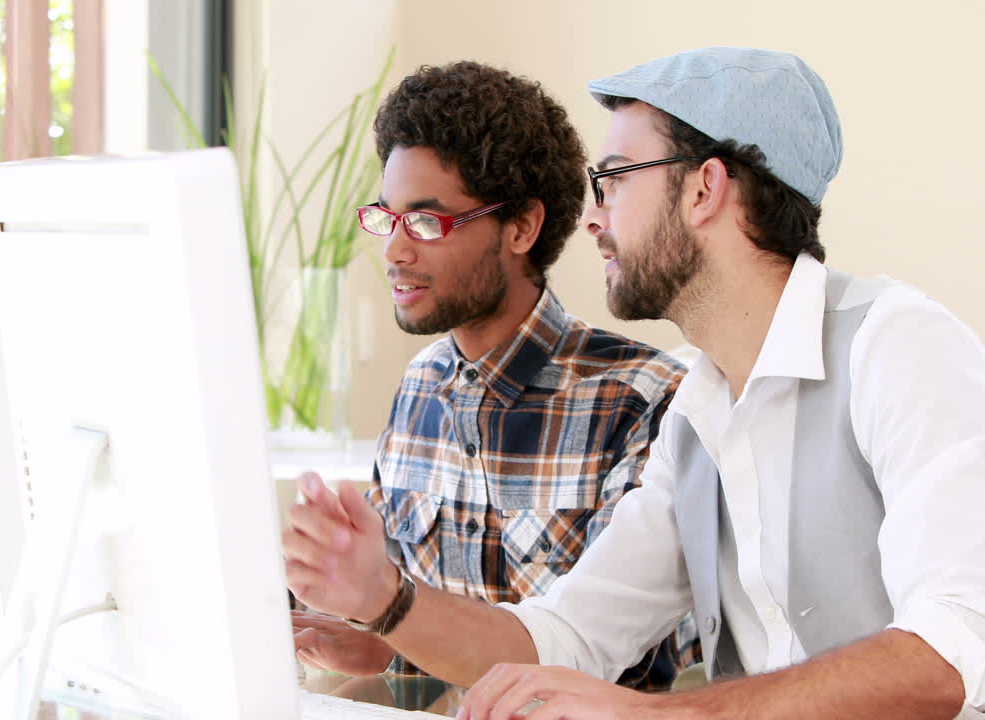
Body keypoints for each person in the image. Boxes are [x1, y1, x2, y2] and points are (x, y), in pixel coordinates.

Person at [282, 47, 985, 720]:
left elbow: (958, 654)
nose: (592, 219)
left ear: (703, 188)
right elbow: (568, 639)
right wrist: (385, 599)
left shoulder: (900, 347)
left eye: (614, 178)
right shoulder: (698, 410)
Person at [286, 60, 691, 689]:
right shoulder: (420, 389)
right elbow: (414, 621)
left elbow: (624, 669)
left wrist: (386, 609)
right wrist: (376, 646)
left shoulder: (642, 402)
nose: (394, 249)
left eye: (425, 221)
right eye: (385, 217)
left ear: (522, 226)